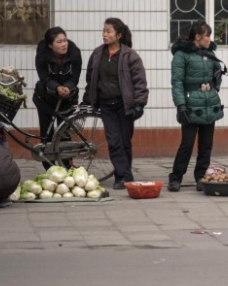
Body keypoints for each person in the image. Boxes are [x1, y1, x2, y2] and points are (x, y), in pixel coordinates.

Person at [83, 18, 149, 190]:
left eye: (108, 31)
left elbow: (139, 81)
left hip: (124, 105)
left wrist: (139, 103)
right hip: (106, 105)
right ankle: (125, 176)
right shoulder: (97, 54)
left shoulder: (130, 55)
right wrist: (88, 98)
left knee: (125, 141)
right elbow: (91, 79)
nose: (104, 35)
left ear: (118, 35)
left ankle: (121, 176)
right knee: (114, 141)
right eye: (103, 31)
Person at [168, 21, 226, 192]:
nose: (210, 39)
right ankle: (176, 177)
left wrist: (217, 77)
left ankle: (201, 177)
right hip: (191, 105)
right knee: (187, 144)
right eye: (207, 35)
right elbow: (177, 82)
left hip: (210, 103)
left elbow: (217, 78)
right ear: (198, 37)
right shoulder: (181, 55)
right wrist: (180, 105)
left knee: (206, 144)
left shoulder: (210, 53)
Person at [33, 26, 82, 169]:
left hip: (68, 98)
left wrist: (68, 87)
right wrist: (56, 88)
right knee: (46, 133)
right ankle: (49, 168)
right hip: (45, 99)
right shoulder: (42, 54)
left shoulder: (74, 52)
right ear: (50, 45)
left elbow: (75, 77)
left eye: (65, 40)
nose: (64, 44)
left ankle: (67, 166)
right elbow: (44, 77)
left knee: (65, 134)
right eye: (59, 42)